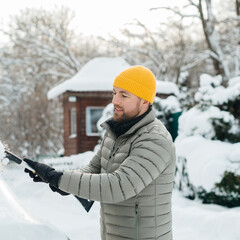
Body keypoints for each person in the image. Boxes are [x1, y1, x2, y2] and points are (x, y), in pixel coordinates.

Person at [24, 65, 176, 240]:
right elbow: (94, 169)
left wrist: (59, 179)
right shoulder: (116, 133)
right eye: (114, 93)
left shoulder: (154, 139)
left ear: (144, 101)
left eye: (124, 95)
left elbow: (119, 186)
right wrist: (59, 179)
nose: (115, 101)